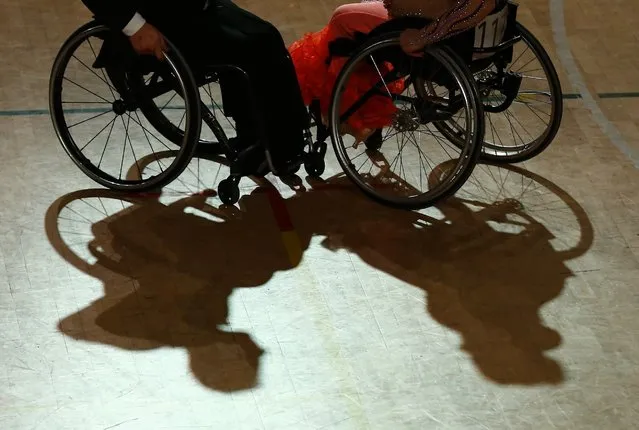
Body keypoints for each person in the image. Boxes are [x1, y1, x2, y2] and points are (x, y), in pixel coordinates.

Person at [82, 0, 310, 174]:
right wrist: (134, 26)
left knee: (266, 36)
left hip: (193, 7)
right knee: (251, 45)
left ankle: (278, 136)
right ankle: (274, 144)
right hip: (155, 22)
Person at [287, 0, 497, 142]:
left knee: (342, 18)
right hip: (460, 25)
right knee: (363, 9)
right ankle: (363, 108)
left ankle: (347, 114)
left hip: (427, 22)